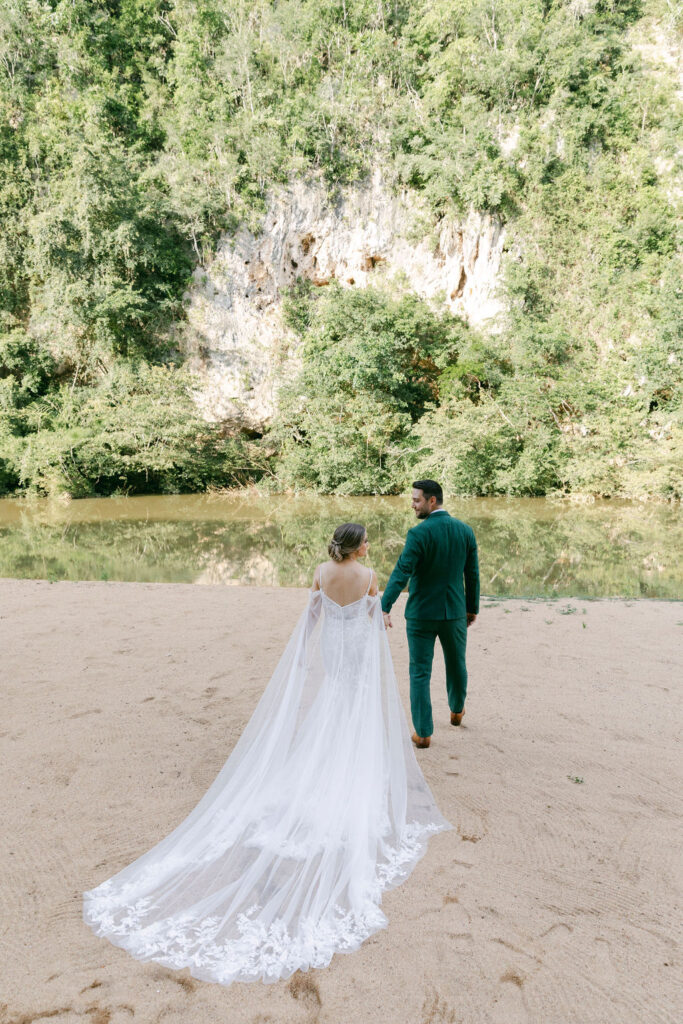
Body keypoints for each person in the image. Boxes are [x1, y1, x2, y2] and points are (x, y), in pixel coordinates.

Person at [83, 523, 451, 986]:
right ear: (359, 547)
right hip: (356, 649)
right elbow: (375, 618)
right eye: (366, 542)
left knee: (332, 699)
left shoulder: (320, 571)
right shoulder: (370, 575)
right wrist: (381, 616)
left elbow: (312, 618)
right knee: (354, 705)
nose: (369, 548)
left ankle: (320, 770)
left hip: (333, 649)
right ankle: (349, 776)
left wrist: (302, 656)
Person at [382, 480, 480, 749]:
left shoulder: (418, 534)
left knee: (419, 672)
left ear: (432, 501)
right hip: (454, 613)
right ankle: (457, 710)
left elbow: (402, 571)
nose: (412, 504)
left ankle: (423, 733)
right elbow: (471, 574)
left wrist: (384, 605)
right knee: (456, 663)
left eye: (416, 500)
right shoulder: (466, 531)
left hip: (421, 615)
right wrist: (471, 608)